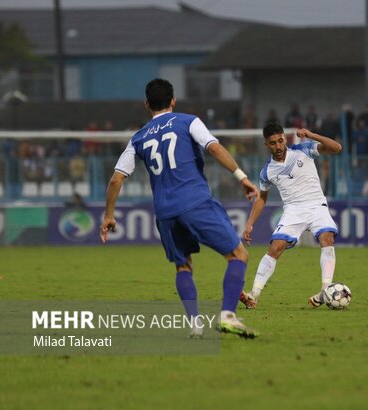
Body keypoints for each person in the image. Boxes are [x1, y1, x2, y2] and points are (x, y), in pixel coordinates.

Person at [99, 78, 259, 339]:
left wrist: (108, 215)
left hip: (165, 213)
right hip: (195, 201)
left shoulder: (138, 138)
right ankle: (227, 315)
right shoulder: (188, 121)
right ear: (173, 101)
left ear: (147, 104)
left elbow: (116, 178)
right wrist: (241, 176)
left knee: (183, 266)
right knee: (238, 255)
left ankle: (195, 325)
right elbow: (214, 147)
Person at [240, 123, 342, 309]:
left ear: (284, 139)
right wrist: (249, 224)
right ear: (266, 145)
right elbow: (261, 199)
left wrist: (311, 134)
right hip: (293, 210)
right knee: (275, 247)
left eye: (280, 141)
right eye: (273, 143)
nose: (278, 147)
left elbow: (337, 148)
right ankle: (254, 295)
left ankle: (326, 291)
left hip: (316, 204)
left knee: (327, 238)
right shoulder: (267, 172)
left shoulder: (304, 149)